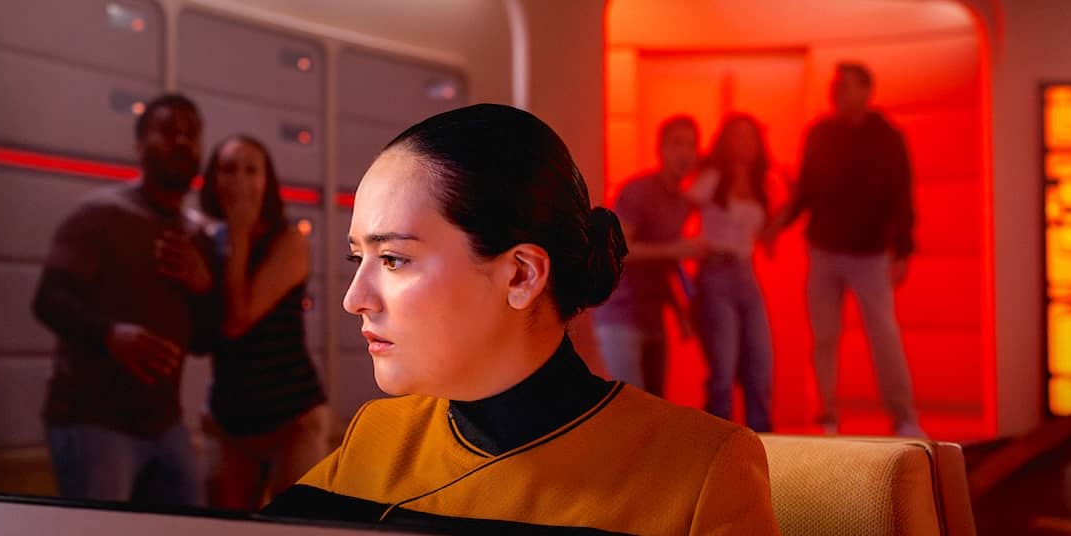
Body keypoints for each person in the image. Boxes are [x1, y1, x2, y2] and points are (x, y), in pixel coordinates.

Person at [261, 104, 779, 534]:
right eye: (358, 258)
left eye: (394, 259)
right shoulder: (377, 435)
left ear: (520, 276)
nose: (355, 298)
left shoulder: (703, 471)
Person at [32, 94, 214, 506]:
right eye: (168, 131)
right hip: (93, 421)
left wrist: (203, 285)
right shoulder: (99, 215)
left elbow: (204, 340)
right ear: (139, 144)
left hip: (164, 423)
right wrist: (111, 335)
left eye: (191, 134)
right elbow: (48, 300)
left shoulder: (196, 235)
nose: (181, 141)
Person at [765, 62, 923, 437]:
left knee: (883, 334)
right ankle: (828, 414)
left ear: (867, 91)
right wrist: (777, 224)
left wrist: (902, 250)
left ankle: (904, 417)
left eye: (847, 85)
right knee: (824, 336)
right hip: (824, 250)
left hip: (870, 254)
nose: (838, 91)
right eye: (836, 85)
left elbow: (901, 193)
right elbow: (806, 190)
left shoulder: (887, 137)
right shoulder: (819, 133)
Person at [195, 135, 331, 511]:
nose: (239, 180)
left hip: (292, 418)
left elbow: (238, 321)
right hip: (229, 419)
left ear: (267, 182)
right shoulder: (207, 240)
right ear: (212, 179)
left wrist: (239, 231)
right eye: (228, 169)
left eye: (251, 170)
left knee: (296, 525)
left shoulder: (288, 241)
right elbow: (201, 334)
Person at [593, 115, 707, 396]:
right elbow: (619, 249)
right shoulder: (638, 190)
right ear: (661, 149)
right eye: (677, 144)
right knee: (632, 404)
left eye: (691, 145)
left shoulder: (682, 202)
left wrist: (680, 311)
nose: (684, 153)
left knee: (655, 405)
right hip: (620, 314)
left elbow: (664, 265)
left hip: (652, 316)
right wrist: (676, 249)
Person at [686, 114, 777, 433]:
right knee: (723, 369)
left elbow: (766, 239)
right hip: (715, 271)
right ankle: (718, 441)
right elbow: (681, 209)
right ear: (725, 142)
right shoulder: (712, 178)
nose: (744, 142)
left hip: (746, 273)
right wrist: (684, 249)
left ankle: (764, 443)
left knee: (760, 365)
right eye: (737, 135)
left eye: (750, 136)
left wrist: (791, 203)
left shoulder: (761, 183)